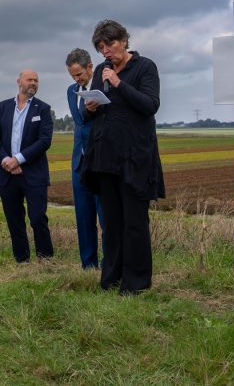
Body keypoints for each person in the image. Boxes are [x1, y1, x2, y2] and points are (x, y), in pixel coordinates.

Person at [80, 20, 166, 295]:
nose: (106, 51)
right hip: (105, 159)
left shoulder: (145, 67)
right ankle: (111, 278)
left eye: (110, 44)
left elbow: (150, 105)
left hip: (135, 159)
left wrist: (118, 84)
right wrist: (90, 108)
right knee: (112, 224)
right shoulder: (100, 73)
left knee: (134, 223)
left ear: (124, 40)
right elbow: (86, 117)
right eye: (101, 47)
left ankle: (136, 283)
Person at [0, 70, 54, 263]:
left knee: (37, 217)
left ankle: (45, 258)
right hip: (6, 172)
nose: (33, 83)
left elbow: (44, 141)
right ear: (19, 82)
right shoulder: (3, 107)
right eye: (29, 80)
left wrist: (18, 159)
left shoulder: (43, 109)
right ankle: (21, 259)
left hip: (33, 172)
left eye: (36, 80)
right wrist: (6, 160)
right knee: (14, 219)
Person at [66, 48, 103, 269]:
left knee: (105, 218)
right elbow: (79, 121)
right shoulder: (72, 91)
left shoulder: (103, 88)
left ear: (90, 66)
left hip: (100, 162)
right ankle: (88, 265)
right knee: (84, 218)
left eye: (79, 74)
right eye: (73, 76)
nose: (77, 80)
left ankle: (108, 264)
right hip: (79, 164)